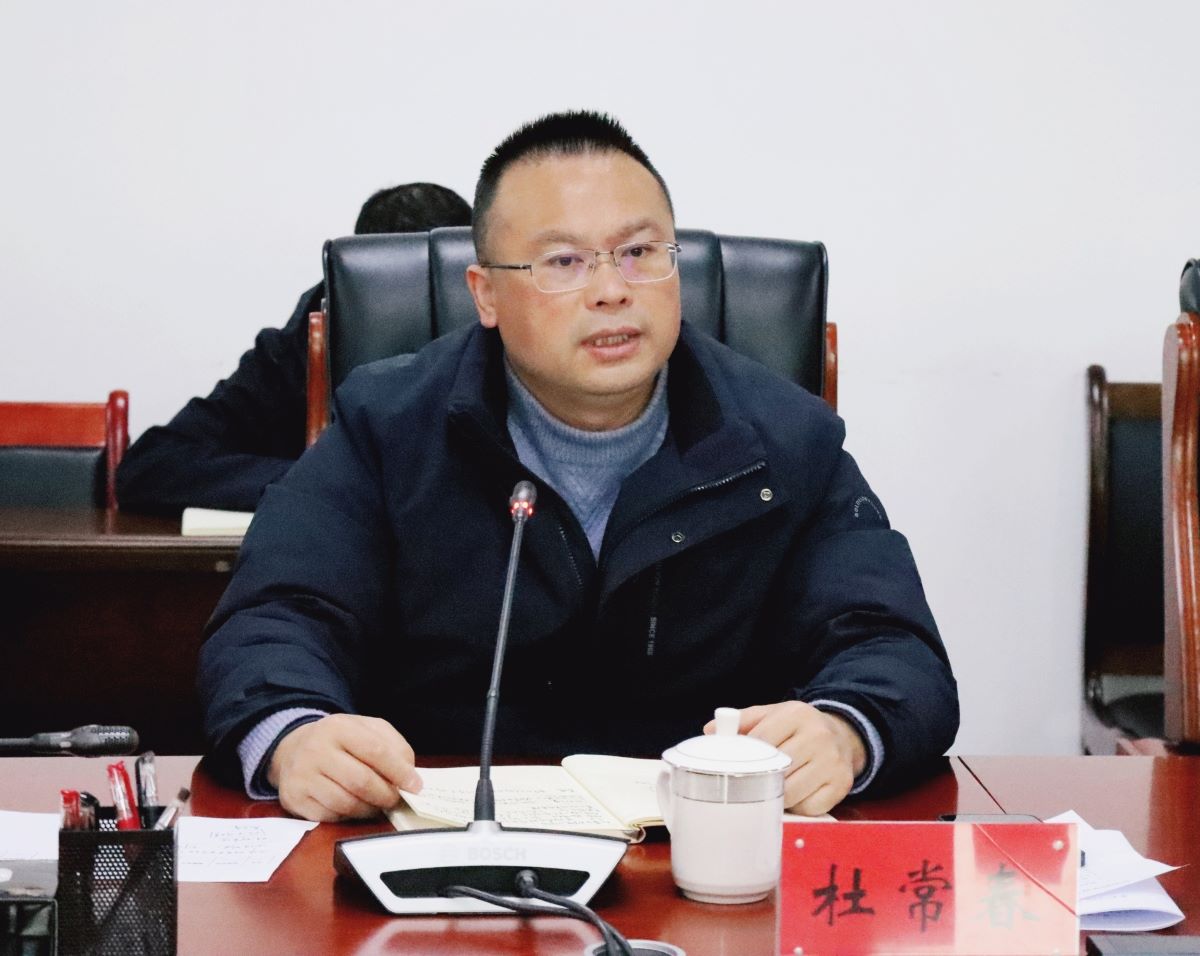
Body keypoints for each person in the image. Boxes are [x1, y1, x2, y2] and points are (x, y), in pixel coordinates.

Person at [198, 111, 959, 823]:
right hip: (440, 845)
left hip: (709, 850)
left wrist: (844, 731)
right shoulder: (387, 427)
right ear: (486, 294)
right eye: (563, 261)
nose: (612, 291)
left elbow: (892, 647)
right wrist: (295, 734)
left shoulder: (785, 441)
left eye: (640, 253)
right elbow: (274, 620)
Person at [115, 183, 472, 514]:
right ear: (354, 282)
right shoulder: (302, 346)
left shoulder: (496, 338)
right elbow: (151, 467)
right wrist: (322, 480)